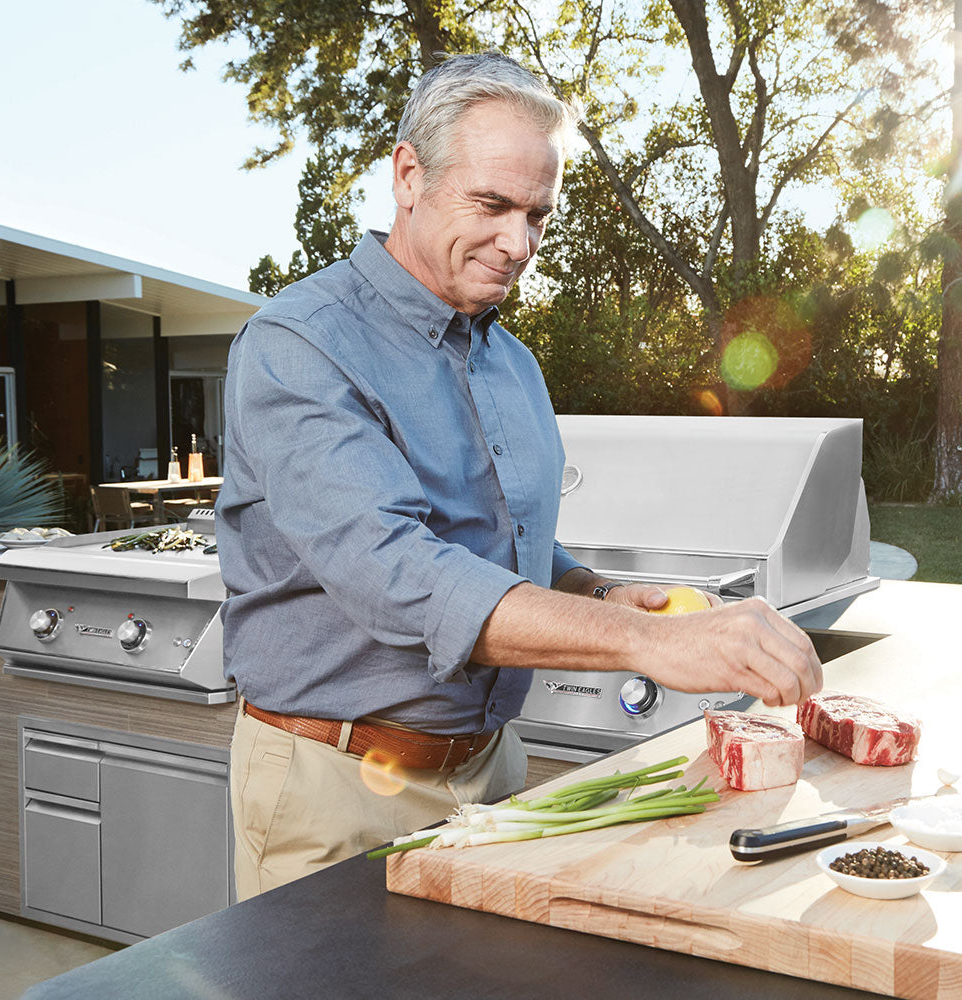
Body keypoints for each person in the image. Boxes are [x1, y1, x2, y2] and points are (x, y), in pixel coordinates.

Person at [215, 51, 823, 900]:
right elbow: (396, 571)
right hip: (334, 784)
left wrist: (599, 592)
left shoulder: (514, 364)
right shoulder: (300, 346)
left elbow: (500, 533)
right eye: (493, 205)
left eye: (538, 214)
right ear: (407, 175)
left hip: (493, 773)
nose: (519, 242)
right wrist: (656, 642)